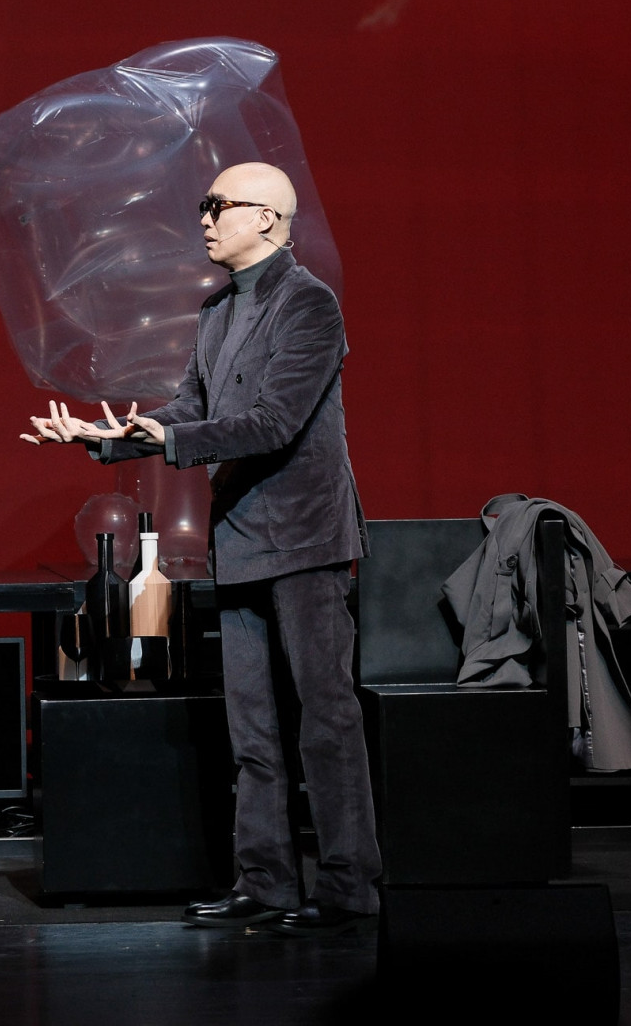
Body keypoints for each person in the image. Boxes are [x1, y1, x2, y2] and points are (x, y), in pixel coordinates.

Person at [23, 162, 380, 936]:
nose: (206, 220)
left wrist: (168, 438)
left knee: (325, 720)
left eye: (220, 206)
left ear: (270, 219)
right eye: (203, 206)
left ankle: (348, 886)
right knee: (251, 726)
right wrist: (107, 437)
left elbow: (274, 422)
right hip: (241, 535)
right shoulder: (218, 308)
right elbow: (192, 407)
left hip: (305, 535)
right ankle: (266, 881)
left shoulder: (308, 303)